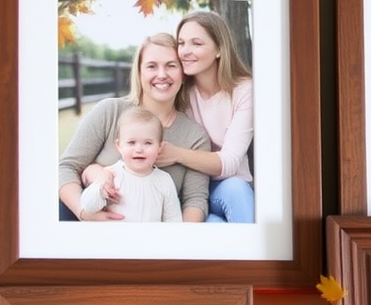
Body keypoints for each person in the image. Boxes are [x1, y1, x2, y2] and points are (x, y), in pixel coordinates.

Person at [58, 34, 211, 222]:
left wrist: (177, 244)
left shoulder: (195, 136)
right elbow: (67, 167)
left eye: (171, 65)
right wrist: (85, 213)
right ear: (139, 73)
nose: (161, 74)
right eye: (152, 66)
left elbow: (194, 200)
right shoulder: (110, 112)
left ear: (183, 74)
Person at [156, 11, 254, 223]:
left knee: (236, 190)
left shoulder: (244, 90)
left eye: (196, 43)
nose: (185, 51)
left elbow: (229, 163)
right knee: (214, 225)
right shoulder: (178, 92)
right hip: (189, 190)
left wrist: (176, 154)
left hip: (230, 187)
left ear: (219, 49)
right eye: (181, 43)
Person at [77, 107, 182, 222]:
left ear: (159, 147)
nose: (139, 149)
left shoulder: (164, 180)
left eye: (148, 143)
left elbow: (174, 220)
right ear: (119, 146)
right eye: (131, 142)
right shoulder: (112, 175)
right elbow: (88, 206)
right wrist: (100, 183)